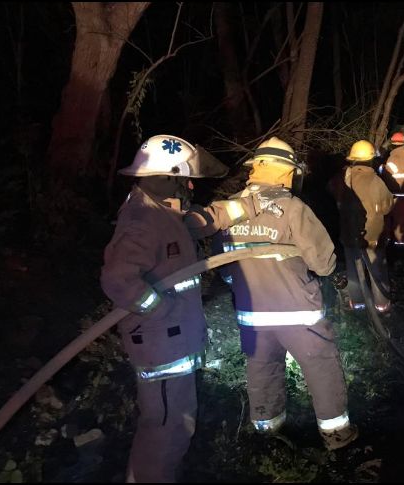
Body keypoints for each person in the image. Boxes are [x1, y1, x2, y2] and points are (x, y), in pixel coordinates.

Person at [101, 134, 245, 482]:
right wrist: (161, 310)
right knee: (167, 426)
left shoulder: (161, 211)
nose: (190, 187)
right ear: (167, 177)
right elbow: (118, 280)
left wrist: (245, 206)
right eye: (184, 180)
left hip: (172, 339)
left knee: (171, 422)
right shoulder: (142, 221)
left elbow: (199, 222)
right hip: (161, 343)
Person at [212, 136, 359, 451]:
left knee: (262, 367)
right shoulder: (293, 207)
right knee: (321, 364)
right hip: (298, 312)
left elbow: (222, 266)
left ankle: (267, 430)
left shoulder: (229, 209)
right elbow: (323, 262)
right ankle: (336, 434)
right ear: (285, 172)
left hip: (251, 314)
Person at [329, 139, 395, 312]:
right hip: (372, 236)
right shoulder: (376, 181)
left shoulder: (342, 178)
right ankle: (381, 305)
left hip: (348, 233)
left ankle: (357, 304)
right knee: (376, 269)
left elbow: (331, 194)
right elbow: (387, 206)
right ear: (371, 159)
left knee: (353, 269)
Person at [381, 132, 404, 247]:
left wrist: (381, 167)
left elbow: (387, 174)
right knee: (401, 223)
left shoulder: (393, 157)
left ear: (392, 144)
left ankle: (387, 245)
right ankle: (400, 246)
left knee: (389, 221)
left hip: (394, 194)